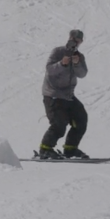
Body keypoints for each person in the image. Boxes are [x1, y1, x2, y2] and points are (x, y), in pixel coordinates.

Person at [38, 29, 89, 159]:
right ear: (69, 38)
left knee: (81, 119)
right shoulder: (58, 52)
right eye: (74, 39)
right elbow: (49, 70)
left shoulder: (79, 56)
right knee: (59, 123)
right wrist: (62, 63)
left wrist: (77, 63)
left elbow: (82, 74)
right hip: (53, 94)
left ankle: (70, 149)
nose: (75, 42)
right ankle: (45, 149)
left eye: (78, 40)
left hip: (68, 96)